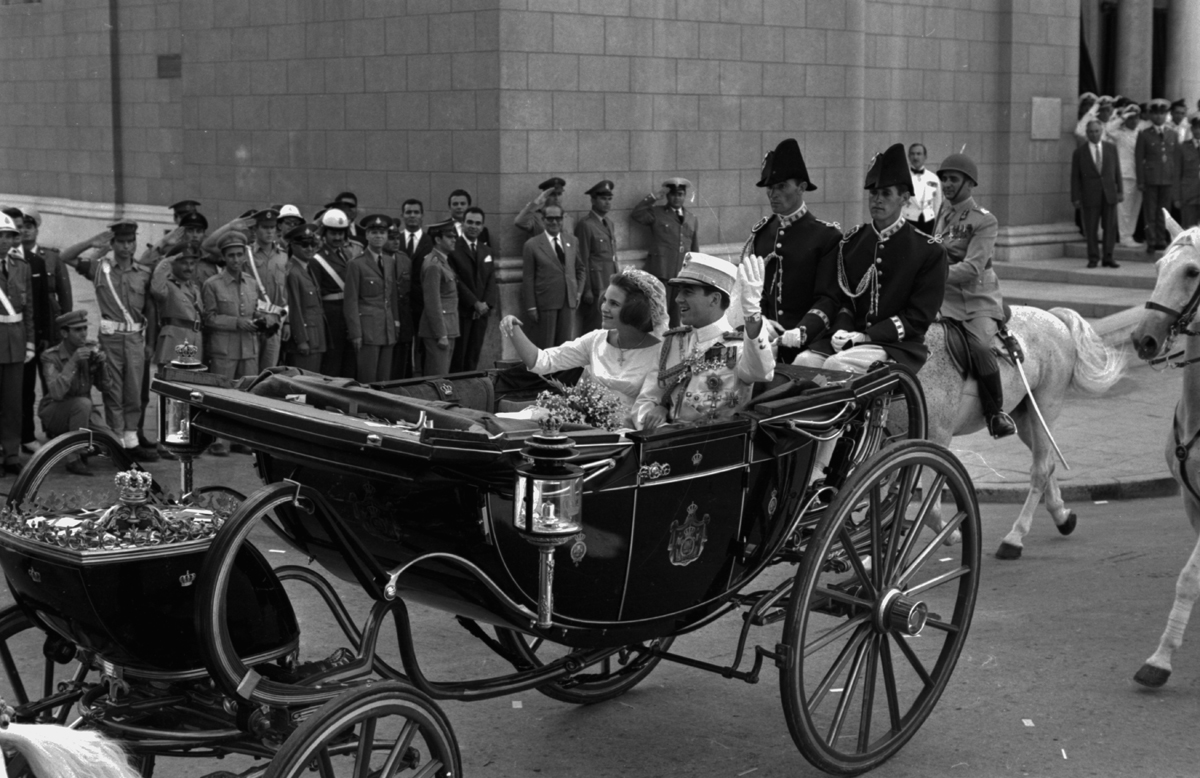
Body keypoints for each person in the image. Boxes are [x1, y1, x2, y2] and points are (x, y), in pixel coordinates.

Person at [792, 143, 947, 375]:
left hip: (896, 345)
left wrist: (867, 336)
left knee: (837, 366)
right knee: (803, 361)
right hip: (851, 338)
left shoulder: (928, 251)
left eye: (886, 193)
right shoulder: (852, 243)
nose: (877, 199)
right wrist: (842, 331)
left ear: (904, 198)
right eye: (873, 193)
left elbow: (918, 317)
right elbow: (844, 300)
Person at [501, 269, 666, 423]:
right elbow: (542, 362)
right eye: (605, 300)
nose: (604, 308)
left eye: (614, 304)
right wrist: (513, 329)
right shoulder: (596, 340)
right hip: (578, 423)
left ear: (636, 310)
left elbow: (663, 400)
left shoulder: (661, 352)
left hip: (626, 434)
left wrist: (662, 408)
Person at [633, 252, 771, 430]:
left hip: (718, 444)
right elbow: (648, 398)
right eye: (679, 291)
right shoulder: (672, 342)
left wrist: (752, 314)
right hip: (666, 442)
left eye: (688, 292)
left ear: (714, 299)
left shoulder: (740, 347)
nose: (678, 299)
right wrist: (656, 418)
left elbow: (762, 372)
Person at [59, 219, 158, 462]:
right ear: (112, 244)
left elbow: (151, 312)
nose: (127, 247)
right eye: (121, 242)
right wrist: (91, 243)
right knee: (113, 390)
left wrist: (150, 344)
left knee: (134, 391)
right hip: (111, 339)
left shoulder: (143, 273)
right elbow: (66, 257)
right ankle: (118, 442)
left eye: (130, 241)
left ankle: (132, 440)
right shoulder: (99, 268)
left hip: (135, 338)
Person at [934, 153, 1016, 438]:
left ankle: (996, 414)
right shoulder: (943, 214)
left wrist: (932, 276)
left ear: (970, 184)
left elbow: (972, 267)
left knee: (980, 348)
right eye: (944, 178)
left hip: (976, 301)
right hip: (944, 299)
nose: (946, 184)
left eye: (953, 179)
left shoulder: (985, 220)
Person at [751, 138, 843, 364]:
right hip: (767, 338)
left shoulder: (826, 237)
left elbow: (828, 299)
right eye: (770, 187)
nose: (773, 193)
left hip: (811, 342)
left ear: (801, 188)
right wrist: (762, 321)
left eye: (781, 186)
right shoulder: (762, 234)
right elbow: (757, 290)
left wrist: (802, 331)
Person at [202, 232, 261, 455]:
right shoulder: (213, 284)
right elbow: (209, 318)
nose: (236, 259)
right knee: (222, 394)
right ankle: (220, 440)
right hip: (224, 349)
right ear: (224, 258)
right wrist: (237, 322)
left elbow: (255, 311)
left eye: (239, 254)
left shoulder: (252, 284)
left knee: (246, 394)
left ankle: (242, 439)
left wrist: (260, 320)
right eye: (231, 255)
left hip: (248, 348)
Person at [38, 310, 112, 475]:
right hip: (55, 411)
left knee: (113, 444)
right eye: (77, 330)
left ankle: (82, 445)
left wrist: (102, 367)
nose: (83, 334)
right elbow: (56, 393)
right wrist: (73, 361)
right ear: (64, 333)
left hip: (84, 411)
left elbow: (106, 388)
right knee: (82, 404)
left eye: (85, 328)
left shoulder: (89, 350)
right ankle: (73, 458)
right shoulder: (50, 356)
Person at [149, 244, 204, 458]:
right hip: (174, 340)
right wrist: (167, 260)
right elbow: (155, 288)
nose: (189, 267)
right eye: (184, 263)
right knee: (169, 393)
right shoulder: (168, 285)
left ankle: (179, 439)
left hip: (192, 341)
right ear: (175, 264)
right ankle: (164, 442)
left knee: (186, 393)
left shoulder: (194, 287)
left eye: (192, 263)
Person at [631, 177, 700, 327]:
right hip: (661, 270)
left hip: (681, 273)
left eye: (680, 194)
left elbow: (694, 248)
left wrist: (695, 272)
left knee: (677, 314)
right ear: (668, 196)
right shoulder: (657, 213)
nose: (677, 198)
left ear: (685, 196)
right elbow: (637, 214)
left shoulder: (691, 218)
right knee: (659, 312)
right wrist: (654, 197)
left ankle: (673, 343)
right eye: (674, 194)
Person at [344, 214, 399, 384]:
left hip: (387, 328)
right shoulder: (356, 264)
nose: (378, 236)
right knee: (367, 379)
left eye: (382, 233)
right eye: (374, 232)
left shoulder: (389, 261)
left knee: (384, 380)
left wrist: (396, 323)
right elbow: (351, 301)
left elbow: (392, 296)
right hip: (367, 329)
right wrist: (356, 333)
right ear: (367, 235)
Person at [521, 204, 584, 349]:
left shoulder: (572, 241)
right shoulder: (532, 245)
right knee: (547, 345)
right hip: (546, 302)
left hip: (569, 302)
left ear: (562, 220)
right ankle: (545, 372)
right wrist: (531, 307)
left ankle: (562, 372)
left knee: (565, 346)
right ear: (543, 220)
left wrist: (578, 292)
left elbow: (580, 269)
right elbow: (528, 278)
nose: (554, 222)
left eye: (558, 218)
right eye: (550, 219)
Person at [0, 213, 35, 475]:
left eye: (9, 236)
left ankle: (11, 454)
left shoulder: (20, 266)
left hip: (16, 338)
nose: (5, 241)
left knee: (13, 402)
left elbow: (29, 307)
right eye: (1, 236)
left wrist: (31, 341)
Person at [449, 207, 497, 373]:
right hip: (462, 312)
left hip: (481, 314)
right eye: (469, 222)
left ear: (482, 227)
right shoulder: (453, 249)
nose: (473, 226)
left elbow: (491, 278)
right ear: (462, 223)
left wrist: (486, 304)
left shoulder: (486, 250)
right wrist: (474, 303)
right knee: (458, 357)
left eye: (478, 223)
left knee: (473, 356)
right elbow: (456, 281)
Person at [311, 208, 358, 378]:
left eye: (341, 233)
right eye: (333, 233)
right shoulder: (317, 259)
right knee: (333, 363)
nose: (337, 237)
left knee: (349, 363)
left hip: (347, 312)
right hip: (331, 315)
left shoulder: (345, 254)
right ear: (324, 233)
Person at [1071, 119, 1123, 268]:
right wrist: (1075, 197)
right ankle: (1093, 257)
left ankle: (1108, 257)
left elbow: (1117, 171)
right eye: (1091, 132)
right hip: (1090, 195)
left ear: (1102, 132)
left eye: (1097, 131)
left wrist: (1120, 191)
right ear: (1087, 133)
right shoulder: (1079, 152)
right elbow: (1075, 176)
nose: (1094, 134)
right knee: (1091, 228)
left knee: (1110, 227)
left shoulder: (1111, 148)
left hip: (1109, 194)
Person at [245, 208, 290, 371]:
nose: (270, 231)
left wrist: (287, 322)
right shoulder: (246, 255)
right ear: (255, 229)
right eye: (265, 227)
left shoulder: (283, 256)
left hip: (275, 322)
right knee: (249, 370)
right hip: (253, 319)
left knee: (269, 370)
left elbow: (286, 293)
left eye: (272, 227)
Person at [1136, 98, 1182, 252]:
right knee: (1150, 212)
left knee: (1164, 211)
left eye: (1162, 114)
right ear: (1151, 116)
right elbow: (1139, 158)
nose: (1159, 117)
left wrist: (1176, 180)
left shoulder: (1172, 134)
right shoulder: (1144, 134)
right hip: (1151, 178)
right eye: (1155, 114)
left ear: (1166, 115)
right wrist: (1141, 180)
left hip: (1167, 178)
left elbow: (1176, 158)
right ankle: (1151, 240)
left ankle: (1161, 239)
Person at [575, 180, 618, 335]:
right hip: (595, 285)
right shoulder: (585, 225)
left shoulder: (609, 223)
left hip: (609, 282)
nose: (607, 203)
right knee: (593, 327)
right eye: (603, 199)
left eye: (609, 199)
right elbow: (583, 259)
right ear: (593, 200)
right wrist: (586, 289)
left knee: (608, 325)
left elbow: (612, 256)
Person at [282, 223, 327, 372]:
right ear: (293, 246)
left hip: (316, 337)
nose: (310, 248)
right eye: (304, 244)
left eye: (313, 244)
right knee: (302, 385)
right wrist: (301, 340)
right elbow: (294, 307)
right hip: (305, 339)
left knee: (313, 383)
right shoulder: (293, 272)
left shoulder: (307, 268)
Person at [418, 220, 460, 376]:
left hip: (448, 326)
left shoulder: (442, 261)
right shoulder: (434, 265)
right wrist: (441, 334)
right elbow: (432, 302)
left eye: (454, 236)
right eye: (449, 237)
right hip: (438, 330)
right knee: (438, 376)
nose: (454, 240)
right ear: (437, 239)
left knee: (442, 376)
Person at [1110, 104, 1145, 247]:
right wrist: (1123, 116)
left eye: (1136, 117)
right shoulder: (1119, 133)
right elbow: (1107, 129)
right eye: (1131, 118)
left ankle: (1130, 235)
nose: (1134, 120)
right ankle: (1124, 236)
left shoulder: (1141, 133)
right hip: (1125, 175)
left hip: (1140, 175)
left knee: (1135, 208)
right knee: (1124, 209)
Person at [386, 220, 416, 380]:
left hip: (403, 316)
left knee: (403, 360)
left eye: (397, 237)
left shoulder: (404, 259)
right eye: (391, 238)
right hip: (385, 315)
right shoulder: (378, 259)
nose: (396, 241)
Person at [901, 143, 942, 234]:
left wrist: (938, 226)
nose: (915, 157)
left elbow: (938, 204)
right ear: (908, 156)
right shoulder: (903, 177)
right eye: (912, 154)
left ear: (925, 156)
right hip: (908, 219)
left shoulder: (933, 178)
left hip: (928, 221)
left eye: (919, 154)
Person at [1180, 113, 1200, 229]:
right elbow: (1178, 171)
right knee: (1189, 227)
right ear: (1191, 129)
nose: (1198, 130)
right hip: (1189, 194)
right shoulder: (1183, 147)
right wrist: (1177, 196)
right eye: (1196, 127)